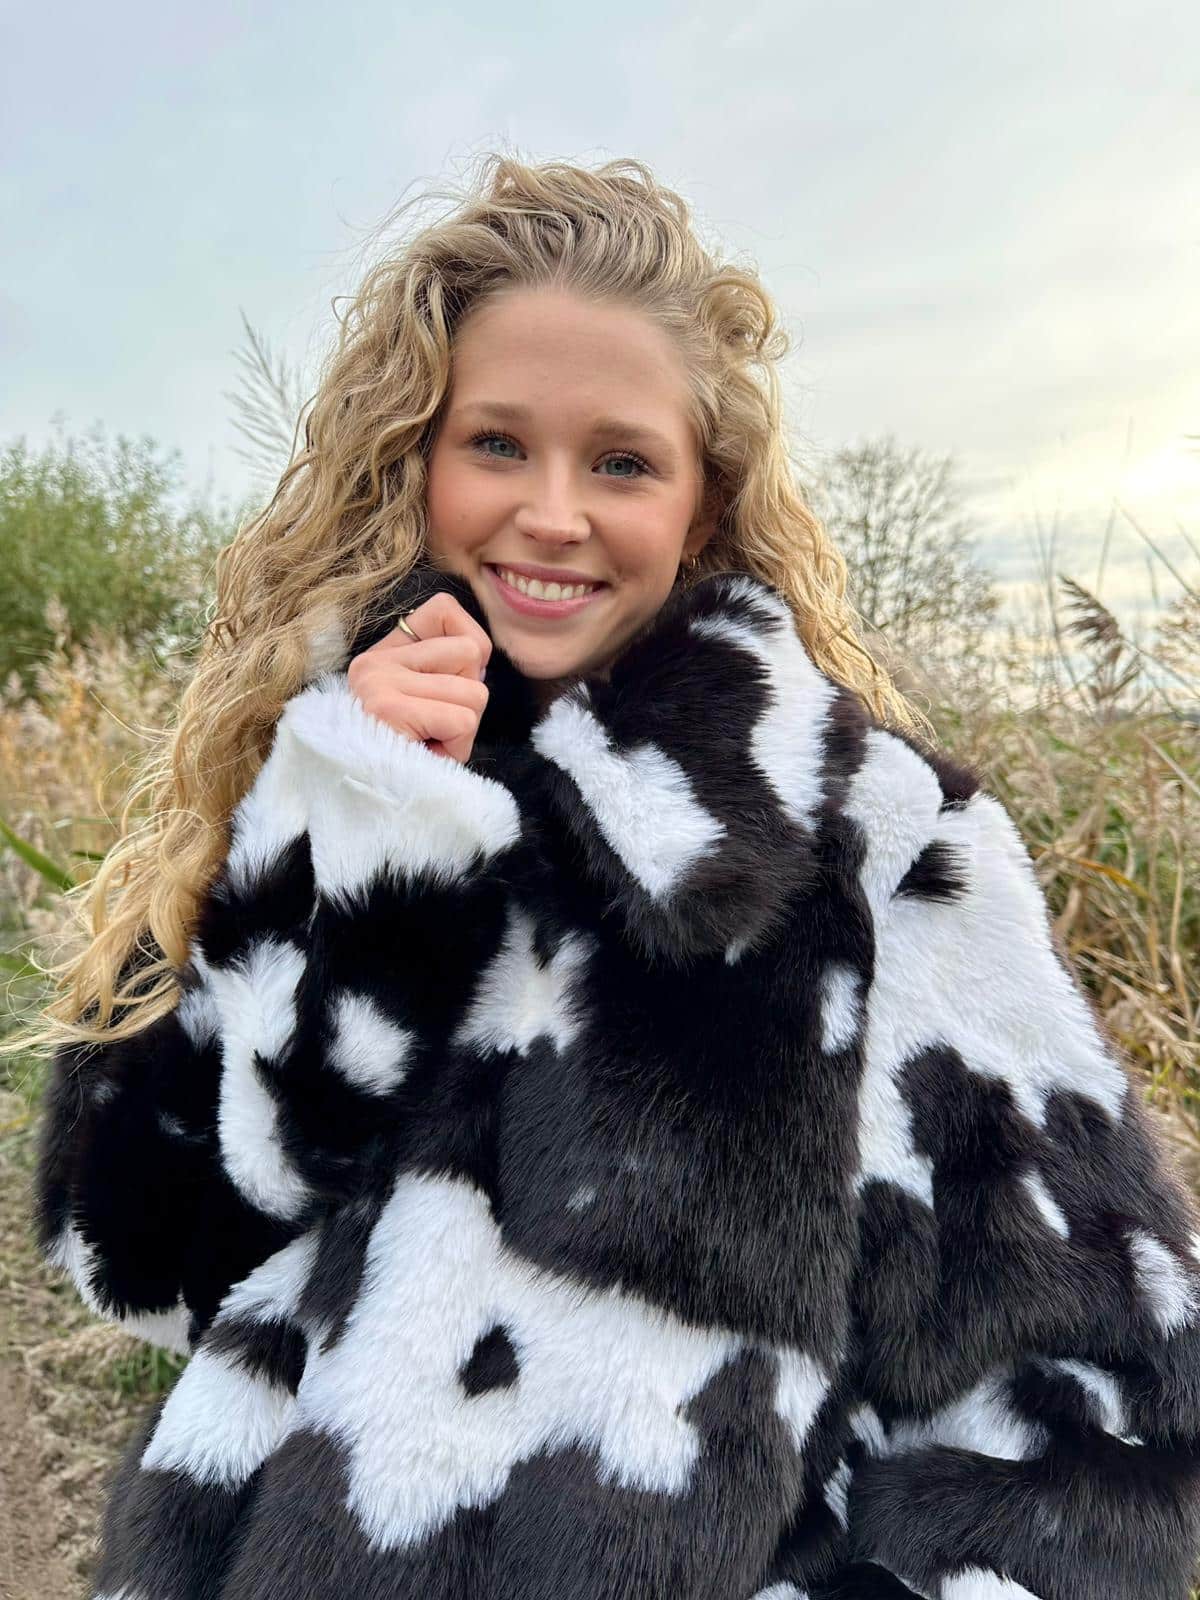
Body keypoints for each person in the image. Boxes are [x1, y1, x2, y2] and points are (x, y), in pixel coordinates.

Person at [12, 152, 1200, 1599]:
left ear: (703, 504)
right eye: (496, 444)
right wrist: (353, 841)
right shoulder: (320, 772)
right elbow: (134, 1259)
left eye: (622, 462)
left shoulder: (878, 844)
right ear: (416, 464)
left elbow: (1097, 1407)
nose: (553, 512)